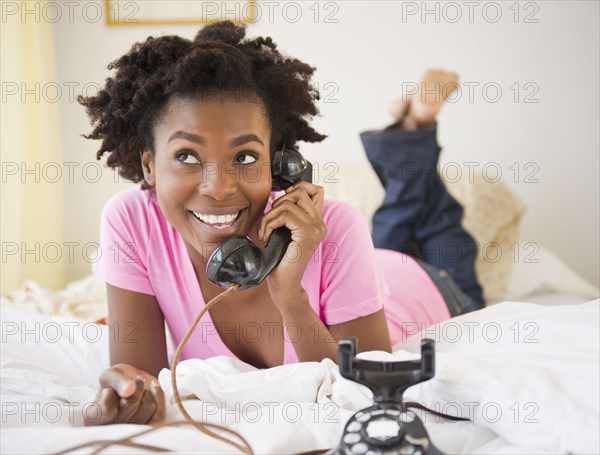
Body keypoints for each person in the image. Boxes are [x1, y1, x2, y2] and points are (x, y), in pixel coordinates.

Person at [79, 21, 483, 426]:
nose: (218, 189)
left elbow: (365, 396)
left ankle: (417, 129)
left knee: (431, 223)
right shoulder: (131, 222)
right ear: (149, 165)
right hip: (370, 270)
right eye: (186, 155)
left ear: (277, 163)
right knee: (398, 217)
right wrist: (125, 396)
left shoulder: (334, 226)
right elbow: (141, 383)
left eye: (245, 157)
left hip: (431, 285)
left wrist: (290, 295)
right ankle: (408, 129)